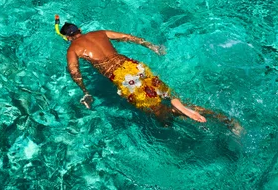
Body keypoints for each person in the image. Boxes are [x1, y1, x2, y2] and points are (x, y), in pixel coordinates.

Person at [61, 21, 239, 129]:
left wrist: (85, 91)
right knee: (164, 94)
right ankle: (225, 119)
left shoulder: (73, 48)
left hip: (123, 77)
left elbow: (74, 71)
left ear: (68, 37)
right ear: (80, 30)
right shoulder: (99, 33)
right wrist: (152, 46)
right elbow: (128, 37)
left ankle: (179, 115)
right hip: (133, 65)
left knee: (160, 113)